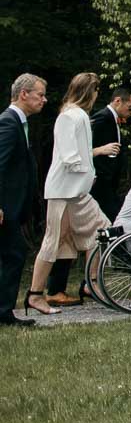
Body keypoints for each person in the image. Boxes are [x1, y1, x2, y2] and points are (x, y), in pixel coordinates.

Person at [23, 74, 113, 316]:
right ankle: (35, 295)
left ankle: (92, 283)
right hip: (65, 192)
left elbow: (78, 154)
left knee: (101, 231)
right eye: (96, 91)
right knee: (54, 241)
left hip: (75, 191)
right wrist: (87, 173)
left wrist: (86, 173)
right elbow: (69, 155)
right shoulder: (70, 116)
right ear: (90, 91)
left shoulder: (76, 115)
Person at [45, 84, 131, 304]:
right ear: (118, 101)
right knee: (104, 230)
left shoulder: (98, 118)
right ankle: (129, 275)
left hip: (99, 187)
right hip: (91, 188)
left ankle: (69, 287)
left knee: (72, 236)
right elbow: (73, 153)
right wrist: (100, 152)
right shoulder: (94, 118)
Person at [0, 75, 47, 326]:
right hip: (5, 207)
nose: (44, 99)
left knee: (13, 254)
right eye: (40, 94)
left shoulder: (19, 123)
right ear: (23, 94)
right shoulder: (9, 123)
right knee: (15, 254)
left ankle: (4, 312)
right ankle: (4, 313)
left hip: (12, 207)